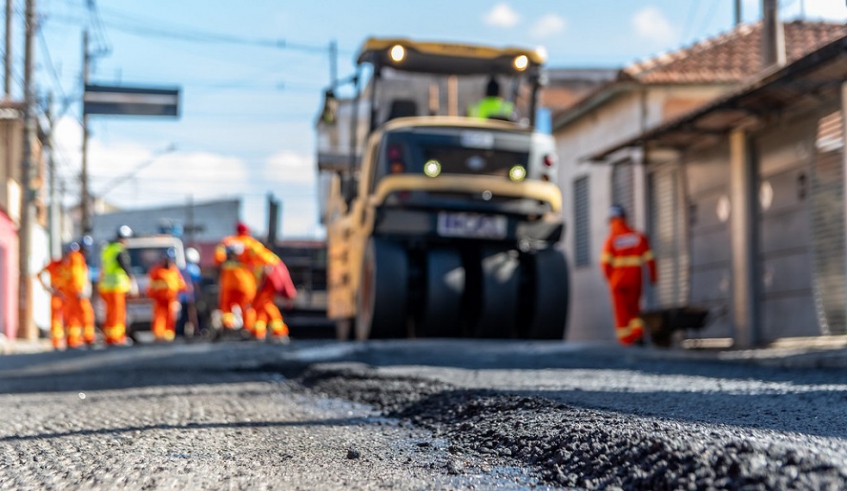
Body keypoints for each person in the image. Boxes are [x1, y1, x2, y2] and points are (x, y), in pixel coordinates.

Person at [600, 204, 657, 346]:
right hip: (635, 280)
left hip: (617, 283)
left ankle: (626, 342)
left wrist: (610, 279)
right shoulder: (638, 237)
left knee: (621, 313)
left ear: (611, 220)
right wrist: (653, 277)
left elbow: (605, 264)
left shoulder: (611, 240)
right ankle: (638, 334)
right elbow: (650, 259)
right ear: (624, 218)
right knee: (634, 310)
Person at [239, 238, 296, 342]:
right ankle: (259, 332)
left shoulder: (255, 250)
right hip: (267, 280)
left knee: (265, 304)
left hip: (267, 281)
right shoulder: (259, 252)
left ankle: (279, 332)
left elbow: (266, 269)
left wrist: (260, 284)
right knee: (260, 307)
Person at [36, 247, 81, 350]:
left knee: (71, 317)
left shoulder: (71, 265)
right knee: (56, 318)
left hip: (67, 296)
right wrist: (47, 287)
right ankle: (56, 341)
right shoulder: (55, 264)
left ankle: (72, 340)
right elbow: (39, 274)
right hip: (57, 295)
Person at [98, 225, 135, 346]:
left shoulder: (108, 249)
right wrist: (132, 281)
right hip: (117, 286)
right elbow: (125, 267)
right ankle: (117, 337)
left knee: (109, 313)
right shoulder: (119, 250)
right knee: (118, 313)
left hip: (106, 286)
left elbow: (103, 268)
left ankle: (109, 337)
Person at [147, 248, 187, 342]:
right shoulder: (157, 271)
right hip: (160, 299)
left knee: (171, 316)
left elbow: (181, 283)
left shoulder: (174, 270)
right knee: (159, 317)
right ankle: (159, 335)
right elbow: (151, 286)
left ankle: (169, 334)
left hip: (171, 299)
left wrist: (183, 287)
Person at [218, 242, 257, 334]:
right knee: (246, 308)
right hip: (244, 288)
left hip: (231, 288)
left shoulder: (225, 263)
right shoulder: (246, 261)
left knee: (228, 307)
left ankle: (229, 325)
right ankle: (247, 328)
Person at [71, 236, 97, 345]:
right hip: (78, 292)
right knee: (87, 313)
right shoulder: (77, 258)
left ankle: (76, 339)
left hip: (76, 291)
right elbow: (77, 275)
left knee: (76, 315)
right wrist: (80, 290)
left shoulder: (79, 258)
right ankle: (87, 337)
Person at [176, 247, 203, 338]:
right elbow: (196, 283)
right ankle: (197, 330)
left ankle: (180, 331)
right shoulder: (194, 269)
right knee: (193, 313)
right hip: (191, 295)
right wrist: (198, 294)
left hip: (183, 296)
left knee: (184, 314)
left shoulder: (182, 268)